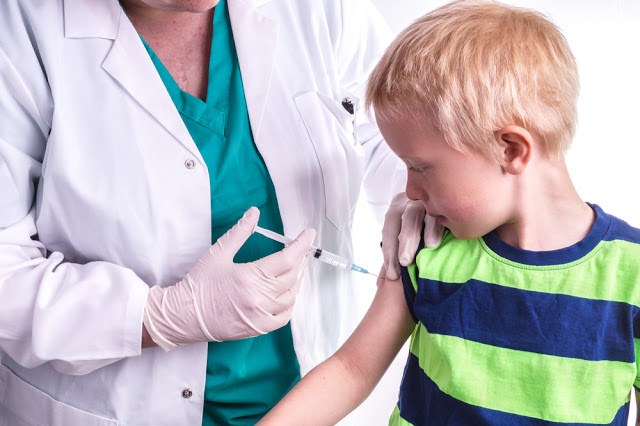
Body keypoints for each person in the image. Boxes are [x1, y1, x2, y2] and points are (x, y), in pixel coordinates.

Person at [0, 0, 439, 425]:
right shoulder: (21, 28)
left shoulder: (322, 8)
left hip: (306, 394)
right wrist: (159, 315)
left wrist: (423, 188)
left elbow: (399, 126)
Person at [256, 0, 640, 424]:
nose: (408, 190)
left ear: (510, 149)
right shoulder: (428, 250)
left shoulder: (632, 275)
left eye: (420, 167)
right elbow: (352, 370)